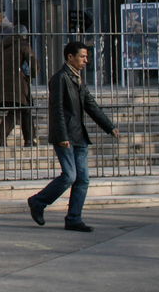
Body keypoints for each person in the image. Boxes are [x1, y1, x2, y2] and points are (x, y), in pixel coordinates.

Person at [27, 42, 121, 232]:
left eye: (86, 57)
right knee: (70, 175)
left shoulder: (77, 79)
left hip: (79, 136)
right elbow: (57, 110)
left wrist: (109, 126)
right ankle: (38, 201)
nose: (86, 61)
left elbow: (91, 105)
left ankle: (74, 218)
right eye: (82, 56)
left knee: (83, 179)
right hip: (65, 136)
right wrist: (61, 135)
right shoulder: (60, 79)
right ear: (70, 57)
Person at [0, 12, 39, 147]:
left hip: (4, 85)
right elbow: (33, 65)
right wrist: (31, 75)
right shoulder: (24, 46)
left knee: (23, 110)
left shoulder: (4, 47)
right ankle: (2, 138)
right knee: (17, 113)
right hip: (19, 85)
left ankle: (30, 139)